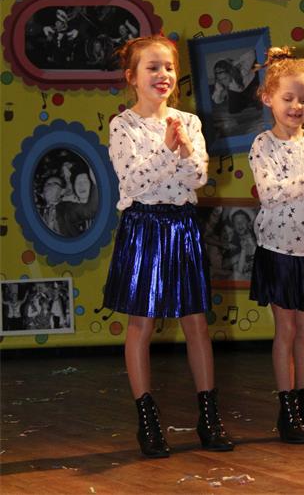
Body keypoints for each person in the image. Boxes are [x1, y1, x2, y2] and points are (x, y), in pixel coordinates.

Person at [102, 35, 234, 458]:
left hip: (182, 226)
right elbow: (135, 181)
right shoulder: (123, 126)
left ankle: (209, 417)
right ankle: (148, 421)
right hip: (143, 227)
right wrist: (167, 151)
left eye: (169, 68)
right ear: (132, 77)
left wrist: (180, 151)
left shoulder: (188, 122)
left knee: (197, 323)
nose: (163, 75)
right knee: (141, 324)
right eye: (153, 67)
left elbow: (196, 176)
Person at [248, 45, 304, 444]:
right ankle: (287, 413)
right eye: (288, 98)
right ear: (268, 98)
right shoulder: (262, 145)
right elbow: (270, 194)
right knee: (285, 328)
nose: (297, 106)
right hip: (277, 250)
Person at [211, 50, 261, 114]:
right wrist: (220, 93)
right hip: (240, 92)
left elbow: (252, 53)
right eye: (220, 79)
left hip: (252, 83)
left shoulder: (241, 72)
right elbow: (216, 100)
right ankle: (250, 102)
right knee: (233, 110)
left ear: (230, 73)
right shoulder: (219, 83)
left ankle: (254, 101)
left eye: (225, 78)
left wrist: (234, 63)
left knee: (259, 104)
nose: (223, 82)